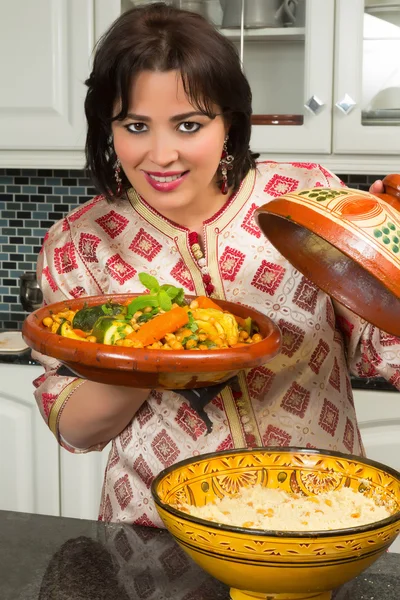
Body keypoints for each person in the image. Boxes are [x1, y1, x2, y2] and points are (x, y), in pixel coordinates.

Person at [32, 2, 400, 527]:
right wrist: (150, 347)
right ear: (106, 127)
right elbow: (75, 427)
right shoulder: (80, 243)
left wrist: (389, 258)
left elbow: (383, 348)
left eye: (188, 125)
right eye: (135, 125)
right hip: (158, 534)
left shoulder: (301, 197)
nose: (161, 155)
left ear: (230, 122)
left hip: (318, 517)